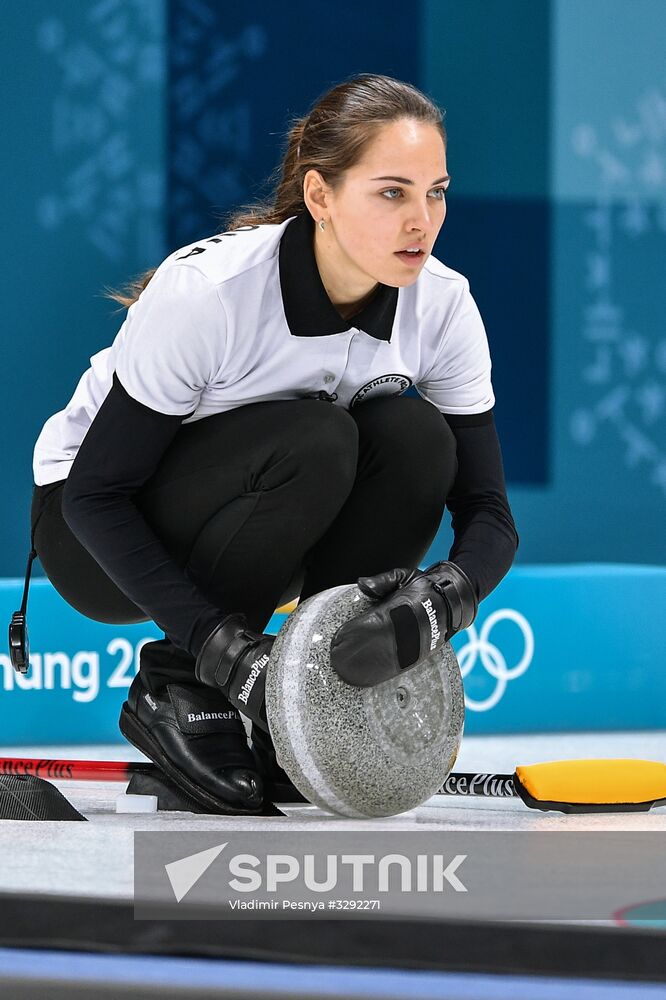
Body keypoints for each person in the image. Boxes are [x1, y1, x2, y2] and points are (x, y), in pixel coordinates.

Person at [28, 73, 519, 815]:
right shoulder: (211, 294)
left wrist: (443, 598)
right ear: (320, 196)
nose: (422, 221)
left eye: (437, 193)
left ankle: (314, 691)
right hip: (92, 536)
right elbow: (96, 496)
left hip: (264, 516)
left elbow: (490, 512)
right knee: (317, 436)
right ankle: (178, 686)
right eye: (392, 193)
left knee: (414, 436)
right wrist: (221, 650)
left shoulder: (443, 305)